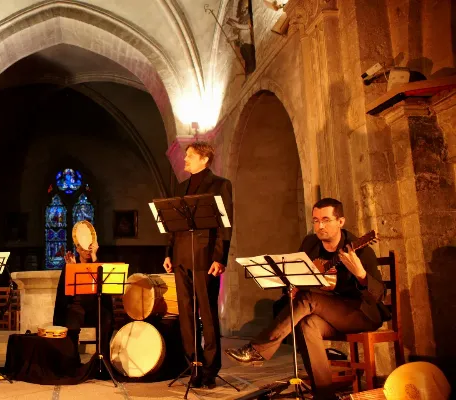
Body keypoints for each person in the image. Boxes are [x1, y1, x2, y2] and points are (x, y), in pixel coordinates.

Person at [225, 198, 389, 400]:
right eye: (316, 220)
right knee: (307, 324)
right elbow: (298, 275)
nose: (320, 226)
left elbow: (379, 295)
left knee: (308, 298)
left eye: (326, 220)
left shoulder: (361, 249)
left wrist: (361, 274)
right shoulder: (310, 244)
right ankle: (325, 396)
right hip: (323, 311)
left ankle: (258, 348)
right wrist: (294, 288)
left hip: (360, 312)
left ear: (341, 222)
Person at [163, 141, 233, 389]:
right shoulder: (181, 187)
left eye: (190, 156)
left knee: (208, 313)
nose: (185, 159)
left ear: (204, 159)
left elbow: (224, 224)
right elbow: (173, 224)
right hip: (181, 256)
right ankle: (194, 364)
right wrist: (169, 253)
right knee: (186, 314)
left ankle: (211, 368)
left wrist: (220, 257)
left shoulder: (220, 184)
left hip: (205, 257)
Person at [52, 225, 114, 363]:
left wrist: (94, 257)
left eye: (89, 247)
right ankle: (73, 361)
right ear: (78, 249)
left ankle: (102, 360)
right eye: (84, 248)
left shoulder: (98, 263)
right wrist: (71, 268)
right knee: (72, 318)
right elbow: (65, 293)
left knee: (107, 318)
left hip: (94, 307)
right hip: (77, 307)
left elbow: (105, 290)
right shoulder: (71, 264)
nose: (87, 251)